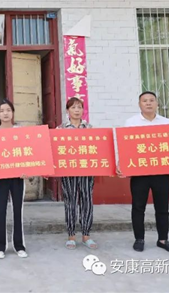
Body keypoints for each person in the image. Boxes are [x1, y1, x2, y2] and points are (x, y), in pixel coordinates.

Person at [122, 91, 169, 254]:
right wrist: (123, 165)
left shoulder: (166, 123)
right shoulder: (131, 122)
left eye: (151, 100)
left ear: (157, 103)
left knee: (162, 207)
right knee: (138, 207)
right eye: (144, 100)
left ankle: (163, 240)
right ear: (139, 104)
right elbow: (126, 147)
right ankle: (139, 239)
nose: (148, 103)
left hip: (161, 172)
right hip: (139, 173)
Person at [0, 99, 28, 259]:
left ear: (12, 113)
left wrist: (27, 170)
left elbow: (27, 152)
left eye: (8, 110)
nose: (5, 113)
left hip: (17, 177)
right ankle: (0, 246)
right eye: (2, 110)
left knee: (18, 210)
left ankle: (19, 245)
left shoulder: (21, 132)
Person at [57, 97, 97, 251]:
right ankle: (71, 235)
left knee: (87, 201)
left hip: (87, 170)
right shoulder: (61, 129)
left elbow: (97, 148)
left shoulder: (90, 128)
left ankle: (86, 235)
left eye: (79, 107)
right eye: (73, 107)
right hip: (68, 171)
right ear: (67, 110)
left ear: (83, 110)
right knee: (71, 202)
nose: (76, 110)